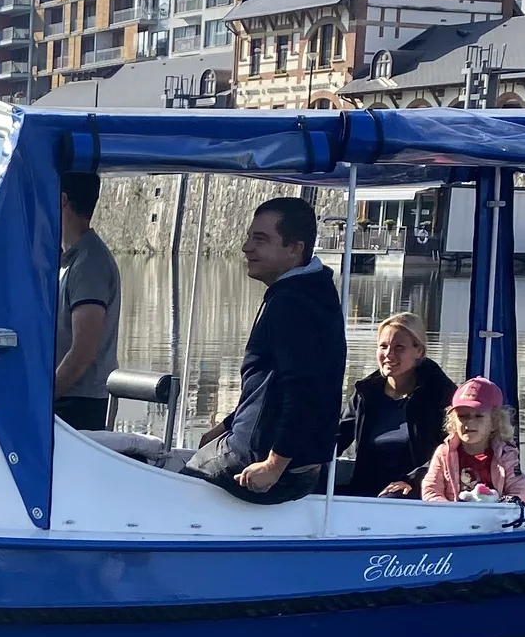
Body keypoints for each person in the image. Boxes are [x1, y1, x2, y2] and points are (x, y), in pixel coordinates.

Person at [180, 197, 346, 502]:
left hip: (261, 463)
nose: (246, 247)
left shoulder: (290, 304)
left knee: (174, 486)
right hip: (298, 464)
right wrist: (226, 424)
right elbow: (269, 386)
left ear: (295, 249)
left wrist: (273, 464)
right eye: (248, 237)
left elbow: (305, 391)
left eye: (260, 239)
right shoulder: (314, 291)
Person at [337, 312, 455, 498]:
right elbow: (338, 436)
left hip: (416, 488)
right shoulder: (367, 392)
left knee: (390, 497)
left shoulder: (441, 394)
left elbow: (451, 449)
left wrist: (412, 480)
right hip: (365, 486)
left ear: (419, 351)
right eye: (383, 346)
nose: (388, 354)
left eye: (399, 347)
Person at [53, 170, 120, 430]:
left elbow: (84, 351)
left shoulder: (89, 264)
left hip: (78, 402)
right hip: (70, 397)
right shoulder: (70, 260)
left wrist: (43, 399)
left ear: (62, 200)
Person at [419, 378, 525, 502]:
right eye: (463, 416)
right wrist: (448, 509)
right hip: (452, 515)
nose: (469, 422)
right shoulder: (444, 453)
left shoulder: (506, 454)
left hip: (492, 515)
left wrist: (505, 503)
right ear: (453, 421)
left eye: (479, 416)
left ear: (495, 422)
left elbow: (521, 490)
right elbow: (431, 489)